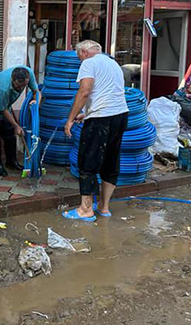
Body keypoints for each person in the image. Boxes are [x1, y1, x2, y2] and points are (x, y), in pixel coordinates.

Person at [63, 40, 128, 222]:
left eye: (78, 57)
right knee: (111, 159)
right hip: (120, 116)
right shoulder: (113, 63)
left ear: (84, 52)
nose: (79, 60)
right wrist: (87, 113)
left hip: (101, 119)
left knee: (88, 160)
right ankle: (104, 207)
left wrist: (70, 120)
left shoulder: (89, 63)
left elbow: (84, 91)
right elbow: (108, 92)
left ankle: (85, 210)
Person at [0, 66, 38, 176]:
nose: (20, 88)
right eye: (18, 86)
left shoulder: (29, 74)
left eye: (23, 86)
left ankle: (11, 162)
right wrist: (16, 125)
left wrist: (36, 102)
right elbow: (2, 109)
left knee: (10, 134)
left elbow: (36, 91)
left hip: (6, 105)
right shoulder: (4, 88)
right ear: (13, 80)